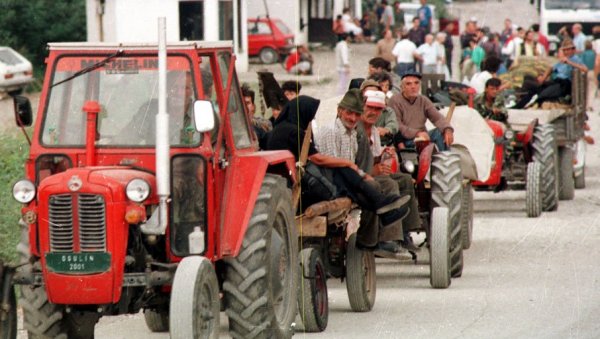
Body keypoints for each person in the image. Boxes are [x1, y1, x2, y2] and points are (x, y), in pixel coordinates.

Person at [266, 94, 410, 230]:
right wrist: (347, 164)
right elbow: (317, 158)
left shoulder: (279, 130)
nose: (311, 119)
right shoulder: (294, 131)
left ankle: (382, 209)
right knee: (343, 170)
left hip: (289, 183)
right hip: (298, 186)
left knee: (345, 178)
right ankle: (381, 205)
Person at [388, 71, 454, 151]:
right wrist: (417, 133)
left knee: (441, 132)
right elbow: (397, 125)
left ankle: (444, 159)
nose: (413, 87)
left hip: (423, 137)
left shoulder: (423, 100)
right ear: (402, 87)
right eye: (409, 84)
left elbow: (437, 118)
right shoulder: (395, 100)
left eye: (416, 83)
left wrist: (447, 129)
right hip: (404, 140)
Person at [241, 83, 271, 149]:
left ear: (253, 106)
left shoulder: (262, 124)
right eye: (242, 103)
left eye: (247, 103)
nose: (244, 106)